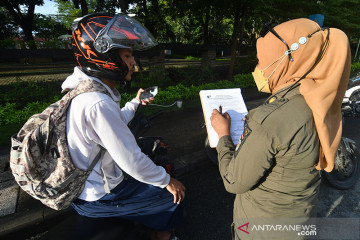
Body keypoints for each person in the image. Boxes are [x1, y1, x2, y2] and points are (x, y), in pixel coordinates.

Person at [210, 18, 351, 239]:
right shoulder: (318, 100)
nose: (258, 68)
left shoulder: (272, 120)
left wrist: (223, 135)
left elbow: (233, 180)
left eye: (261, 61)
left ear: (289, 59)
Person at [62, 13, 185, 240]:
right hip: (100, 195)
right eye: (127, 55)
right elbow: (132, 162)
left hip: (90, 186)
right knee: (172, 198)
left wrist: (136, 101)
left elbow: (115, 122)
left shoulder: (87, 92)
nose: (133, 62)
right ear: (102, 53)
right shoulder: (97, 103)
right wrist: (168, 181)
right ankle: (164, 237)